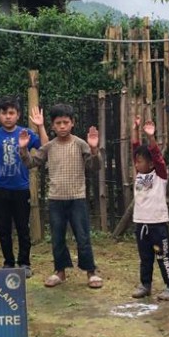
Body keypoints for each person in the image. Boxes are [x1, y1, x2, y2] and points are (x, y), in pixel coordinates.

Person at [18, 103, 103, 289]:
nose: (62, 126)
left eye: (66, 122)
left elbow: (94, 166)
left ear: (72, 123)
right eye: (58, 123)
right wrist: (23, 150)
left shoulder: (81, 144)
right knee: (57, 237)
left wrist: (95, 150)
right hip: (56, 199)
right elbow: (31, 163)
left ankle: (91, 271)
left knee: (83, 236)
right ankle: (60, 271)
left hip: (77, 198)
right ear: (52, 126)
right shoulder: (48, 147)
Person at [0, 97, 49, 277]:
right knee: (3, 229)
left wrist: (41, 126)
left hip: (21, 189)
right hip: (0, 189)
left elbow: (45, 148)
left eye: (11, 113)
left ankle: (24, 263)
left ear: (18, 115)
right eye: (4, 113)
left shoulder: (26, 133)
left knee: (23, 228)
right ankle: (8, 262)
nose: (8, 117)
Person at [130, 117, 169, 300]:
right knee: (145, 258)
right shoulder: (138, 175)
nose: (136, 164)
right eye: (136, 161)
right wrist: (135, 129)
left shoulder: (160, 175)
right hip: (141, 223)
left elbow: (157, 156)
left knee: (163, 256)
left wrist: (151, 138)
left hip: (158, 224)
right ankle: (145, 284)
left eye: (140, 162)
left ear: (150, 164)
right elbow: (134, 147)